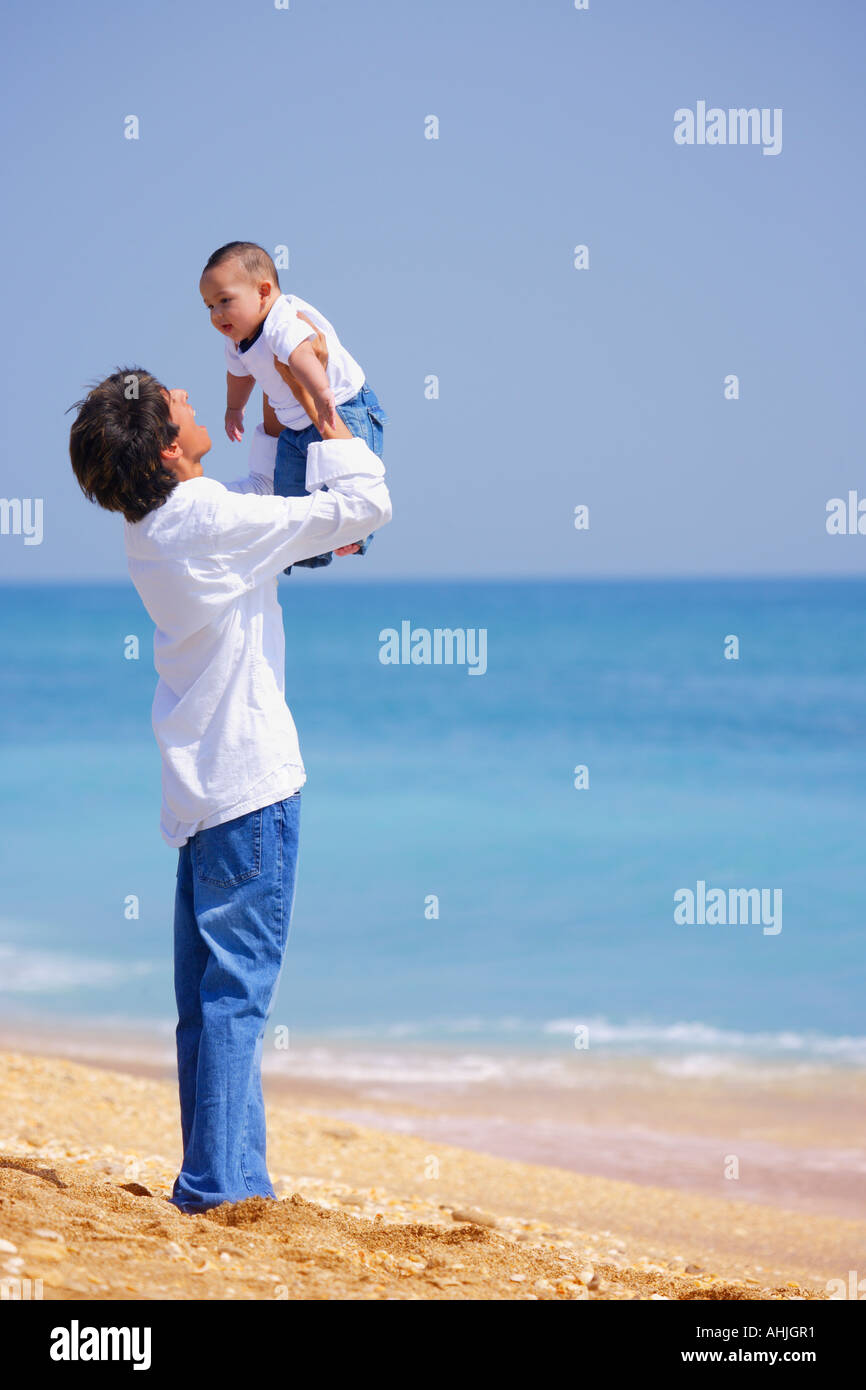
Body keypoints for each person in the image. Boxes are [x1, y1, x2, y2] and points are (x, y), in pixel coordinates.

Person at [68, 340, 392, 1213]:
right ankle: (217, 1186)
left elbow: (266, 510)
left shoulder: (159, 525)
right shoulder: (208, 525)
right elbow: (369, 502)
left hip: (201, 791)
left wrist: (280, 454)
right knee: (236, 1000)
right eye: (173, 401)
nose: (184, 389)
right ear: (170, 450)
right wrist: (324, 411)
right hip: (248, 786)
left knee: (208, 1006)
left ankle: (234, 1182)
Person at [200, 239, 388, 574]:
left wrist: (319, 391)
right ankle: (310, 552)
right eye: (209, 306)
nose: (217, 314)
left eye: (225, 301)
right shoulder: (238, 340)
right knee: (289, 496)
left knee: (347, 476)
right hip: (293, 426)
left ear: (263, 291)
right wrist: (233, 409)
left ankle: (358, 535)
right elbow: (238, 376)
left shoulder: (280, 320)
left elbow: (302, 355)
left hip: (341, 404)